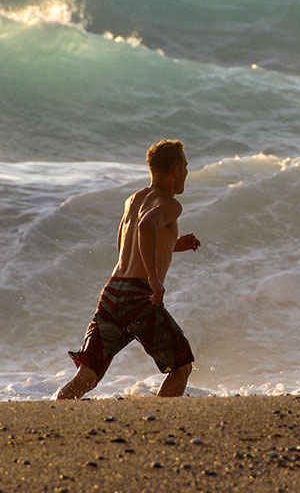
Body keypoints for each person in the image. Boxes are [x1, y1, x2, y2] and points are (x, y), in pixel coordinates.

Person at [56, 139, 200, 399]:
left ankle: (56, 409)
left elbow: (129, 243)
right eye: (186, 166)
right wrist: (154, 280)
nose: (188, 172)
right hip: (139, 295)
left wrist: (174, 245)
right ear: (177, 169)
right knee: (180, 368)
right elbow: (146, 227)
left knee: (89, 375)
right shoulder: (169, 204)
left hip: (113, 292)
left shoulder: (133, 200)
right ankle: (162, 422)